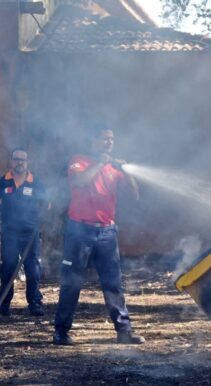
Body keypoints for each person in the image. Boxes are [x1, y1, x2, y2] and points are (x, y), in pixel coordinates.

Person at [52, 127, 144, 346]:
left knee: (113, 283)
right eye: (105, 139)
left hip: (107, 232)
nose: (109, 143)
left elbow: (134, 196)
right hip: (79, 231)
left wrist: (127, 171)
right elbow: (80, 182)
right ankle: (61, 333)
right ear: (93, 140)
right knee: (71, 282)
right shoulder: (79, 161)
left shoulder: (114, 168)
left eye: (112, 139)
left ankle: (124, 331)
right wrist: (101, 162)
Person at [0, 148, 47, 317]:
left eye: (23, 159)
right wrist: (6, 214)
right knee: (7, 268)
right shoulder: (3, 181)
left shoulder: (36, 182)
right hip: (10, 233)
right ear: (11, 161)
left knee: (32, 268)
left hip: (31, 234)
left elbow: (46, 204)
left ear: (27, 162)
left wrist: (36, 220)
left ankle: (35, 303)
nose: (19, 162)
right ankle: (4, 304)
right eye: (16, 159)